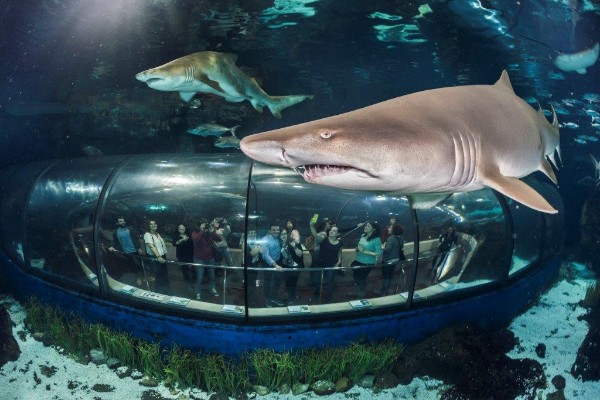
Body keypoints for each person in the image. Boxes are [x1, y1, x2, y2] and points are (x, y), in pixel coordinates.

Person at [351, 221, 382, 299]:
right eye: (365, 226)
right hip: (358, 260)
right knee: (355, 275)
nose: (365, 227)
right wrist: (358, 249)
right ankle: (358, 290)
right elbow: (359, 246)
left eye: (368, 226)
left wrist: (365, 251)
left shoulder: (376, 239)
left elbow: (379, 253)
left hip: (367, 263)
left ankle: (361, 292)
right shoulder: (363, 235)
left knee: (361, 278)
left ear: (374, 229)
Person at [191, 219, 220, 300]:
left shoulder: (209, 234)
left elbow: (219, 239)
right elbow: (196, 239)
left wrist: (212, 231)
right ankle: (198, 292)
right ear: (199, 226)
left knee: (212, 276)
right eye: (203, 224)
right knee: (199, 278)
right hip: (199, 259)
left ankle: (212, 288)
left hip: (210, 258)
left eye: (205, 224)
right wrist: (201, 231)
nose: (205, 226)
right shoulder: (195, 233)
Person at [107, 216, 142, 283]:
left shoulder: (130, 229)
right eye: (120, 221)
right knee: (132, 264)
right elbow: (114, 241)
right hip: (125, 252)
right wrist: (111, 246)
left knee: (140, 263)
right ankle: (137, 277)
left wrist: (139, 248)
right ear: (117, 223)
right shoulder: (115, 232)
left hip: (135, 250)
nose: (122, 222)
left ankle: (141, 274)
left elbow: (136, 239)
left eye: (123, 221)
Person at [259, 223, 285, 307]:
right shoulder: (265, 239)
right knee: (267, 282)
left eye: (277, 230)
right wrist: (275, 265)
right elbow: (265, 255)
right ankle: (267, 299)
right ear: (269, 231)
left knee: (277, 282)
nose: (276, 231)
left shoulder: (279, 239)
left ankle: (273, 297)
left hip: (278, 262)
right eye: (274, 230)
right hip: (268, 264)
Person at [315, 226, 343, 303]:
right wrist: (312, 226)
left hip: (332, 265)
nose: (331, 231)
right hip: (320, 263)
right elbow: (316, 236)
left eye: (334, 231)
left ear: (338, 234)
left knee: (330, 282)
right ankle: (317, 295)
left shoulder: (340, 243)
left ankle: (329, 298)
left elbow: (339, 253)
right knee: (317, 281)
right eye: (331, 230)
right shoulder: (324, 239)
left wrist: (338, 262)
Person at [143, 220, 170, 295]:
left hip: (162, 255)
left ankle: (165, 291)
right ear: (148, 226)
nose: (153, 225)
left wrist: (162, 256)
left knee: (164, 275)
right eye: (151, 224)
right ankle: (159, 293)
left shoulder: (157, 234)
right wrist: (158, 257)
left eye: (155, 223)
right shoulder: (147, 234)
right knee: (159, 276)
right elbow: (151, 246)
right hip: (156, 257)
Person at [378, 225, 405, 295]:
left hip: (388, 260)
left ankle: (383, 291)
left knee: (386, 276)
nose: (388, 229)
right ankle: (387, 290)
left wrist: (382, 247)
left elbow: (387, 250)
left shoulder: (391, 238)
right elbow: (401, 247)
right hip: (396, 259)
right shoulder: (401, 238)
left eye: (390, 228)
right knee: (390, 275)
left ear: (394, 230)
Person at [280, 229, 305, 305]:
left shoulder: (295, 243)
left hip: (295, 267)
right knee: (287, 282)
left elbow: (300, 254)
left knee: (293, 284)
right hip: (286, 267)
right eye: (282, 234)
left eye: (285, 233)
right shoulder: (281, 243)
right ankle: (287, 296)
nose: (283, 235)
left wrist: (295, 247)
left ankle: (291, 300)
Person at [240, 229, 262, 306]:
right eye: (251, 233)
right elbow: (252, 253)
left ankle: (249, 298)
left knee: (252, 283)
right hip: (247, 266)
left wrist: (259, 248)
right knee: (250, 284)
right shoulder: (245, 242)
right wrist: (259, 248)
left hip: (254, 265)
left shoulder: (256, 241)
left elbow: (260, 251)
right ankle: (248, 301)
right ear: (248, 234)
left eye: (254, 232)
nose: (253, 234)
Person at [172, 224, 195, 292]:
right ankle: (188, 286)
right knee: (185, 271)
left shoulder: (189, 235)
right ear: (178, 229)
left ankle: (193, 283)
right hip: (181, 257)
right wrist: (182, 239)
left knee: (192, 270)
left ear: (185, 228)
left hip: (190, 256)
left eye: (182, 227)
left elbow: (193, 245)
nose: (181, 228)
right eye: (179, 227)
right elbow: (174, 243)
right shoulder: (176, 236)